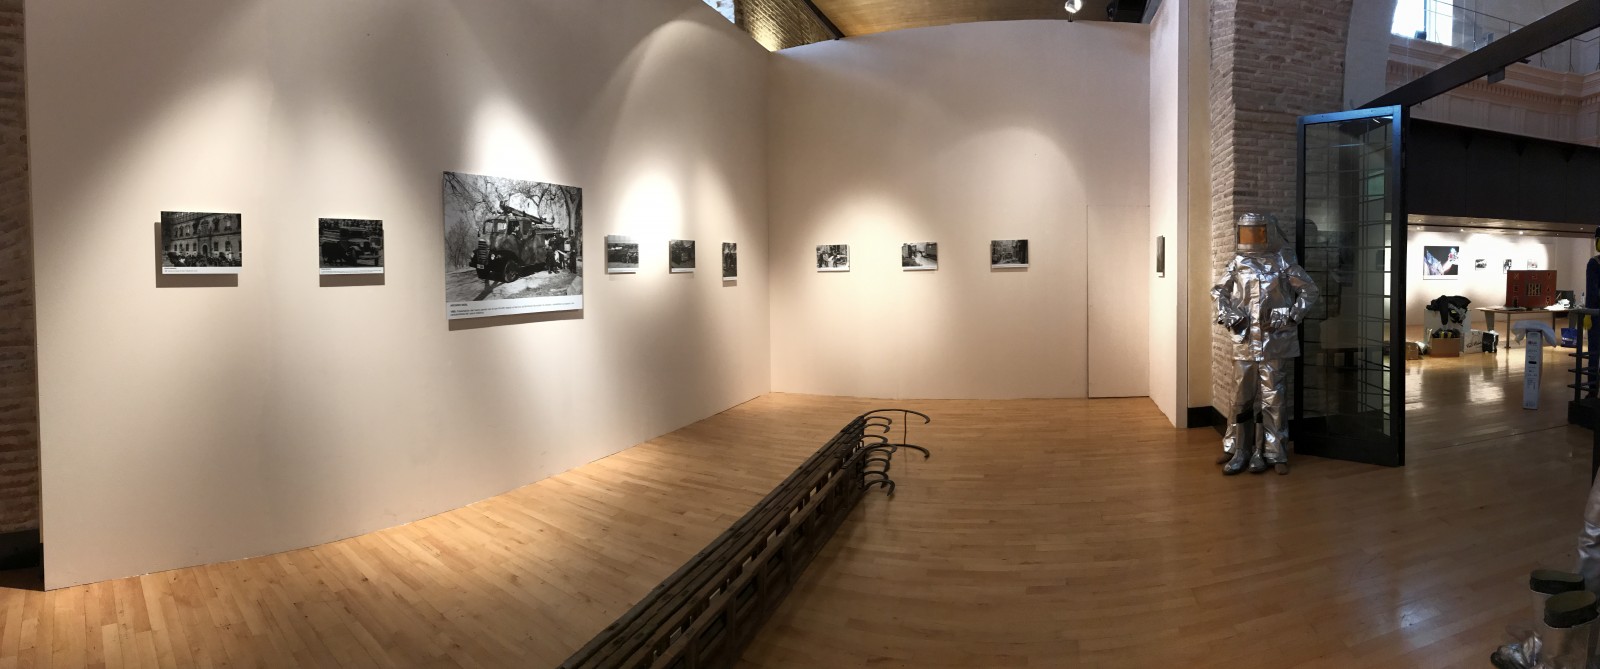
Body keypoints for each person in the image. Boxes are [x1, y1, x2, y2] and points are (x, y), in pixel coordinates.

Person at [1211, 213, 1320, 476]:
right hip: (1245, 340)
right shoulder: (1237, 262)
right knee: (1241, 396)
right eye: (1247, 233)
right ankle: (1239, 449)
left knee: (1274, 398)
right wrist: (1228, 314)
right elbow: (1218, 292)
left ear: (1268, 232)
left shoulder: (1283, 261)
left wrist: (1289, 314)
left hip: (1274, 341)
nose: (1251, 238)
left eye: (1257, 233)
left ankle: (1272, 452)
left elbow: (1310, 291)